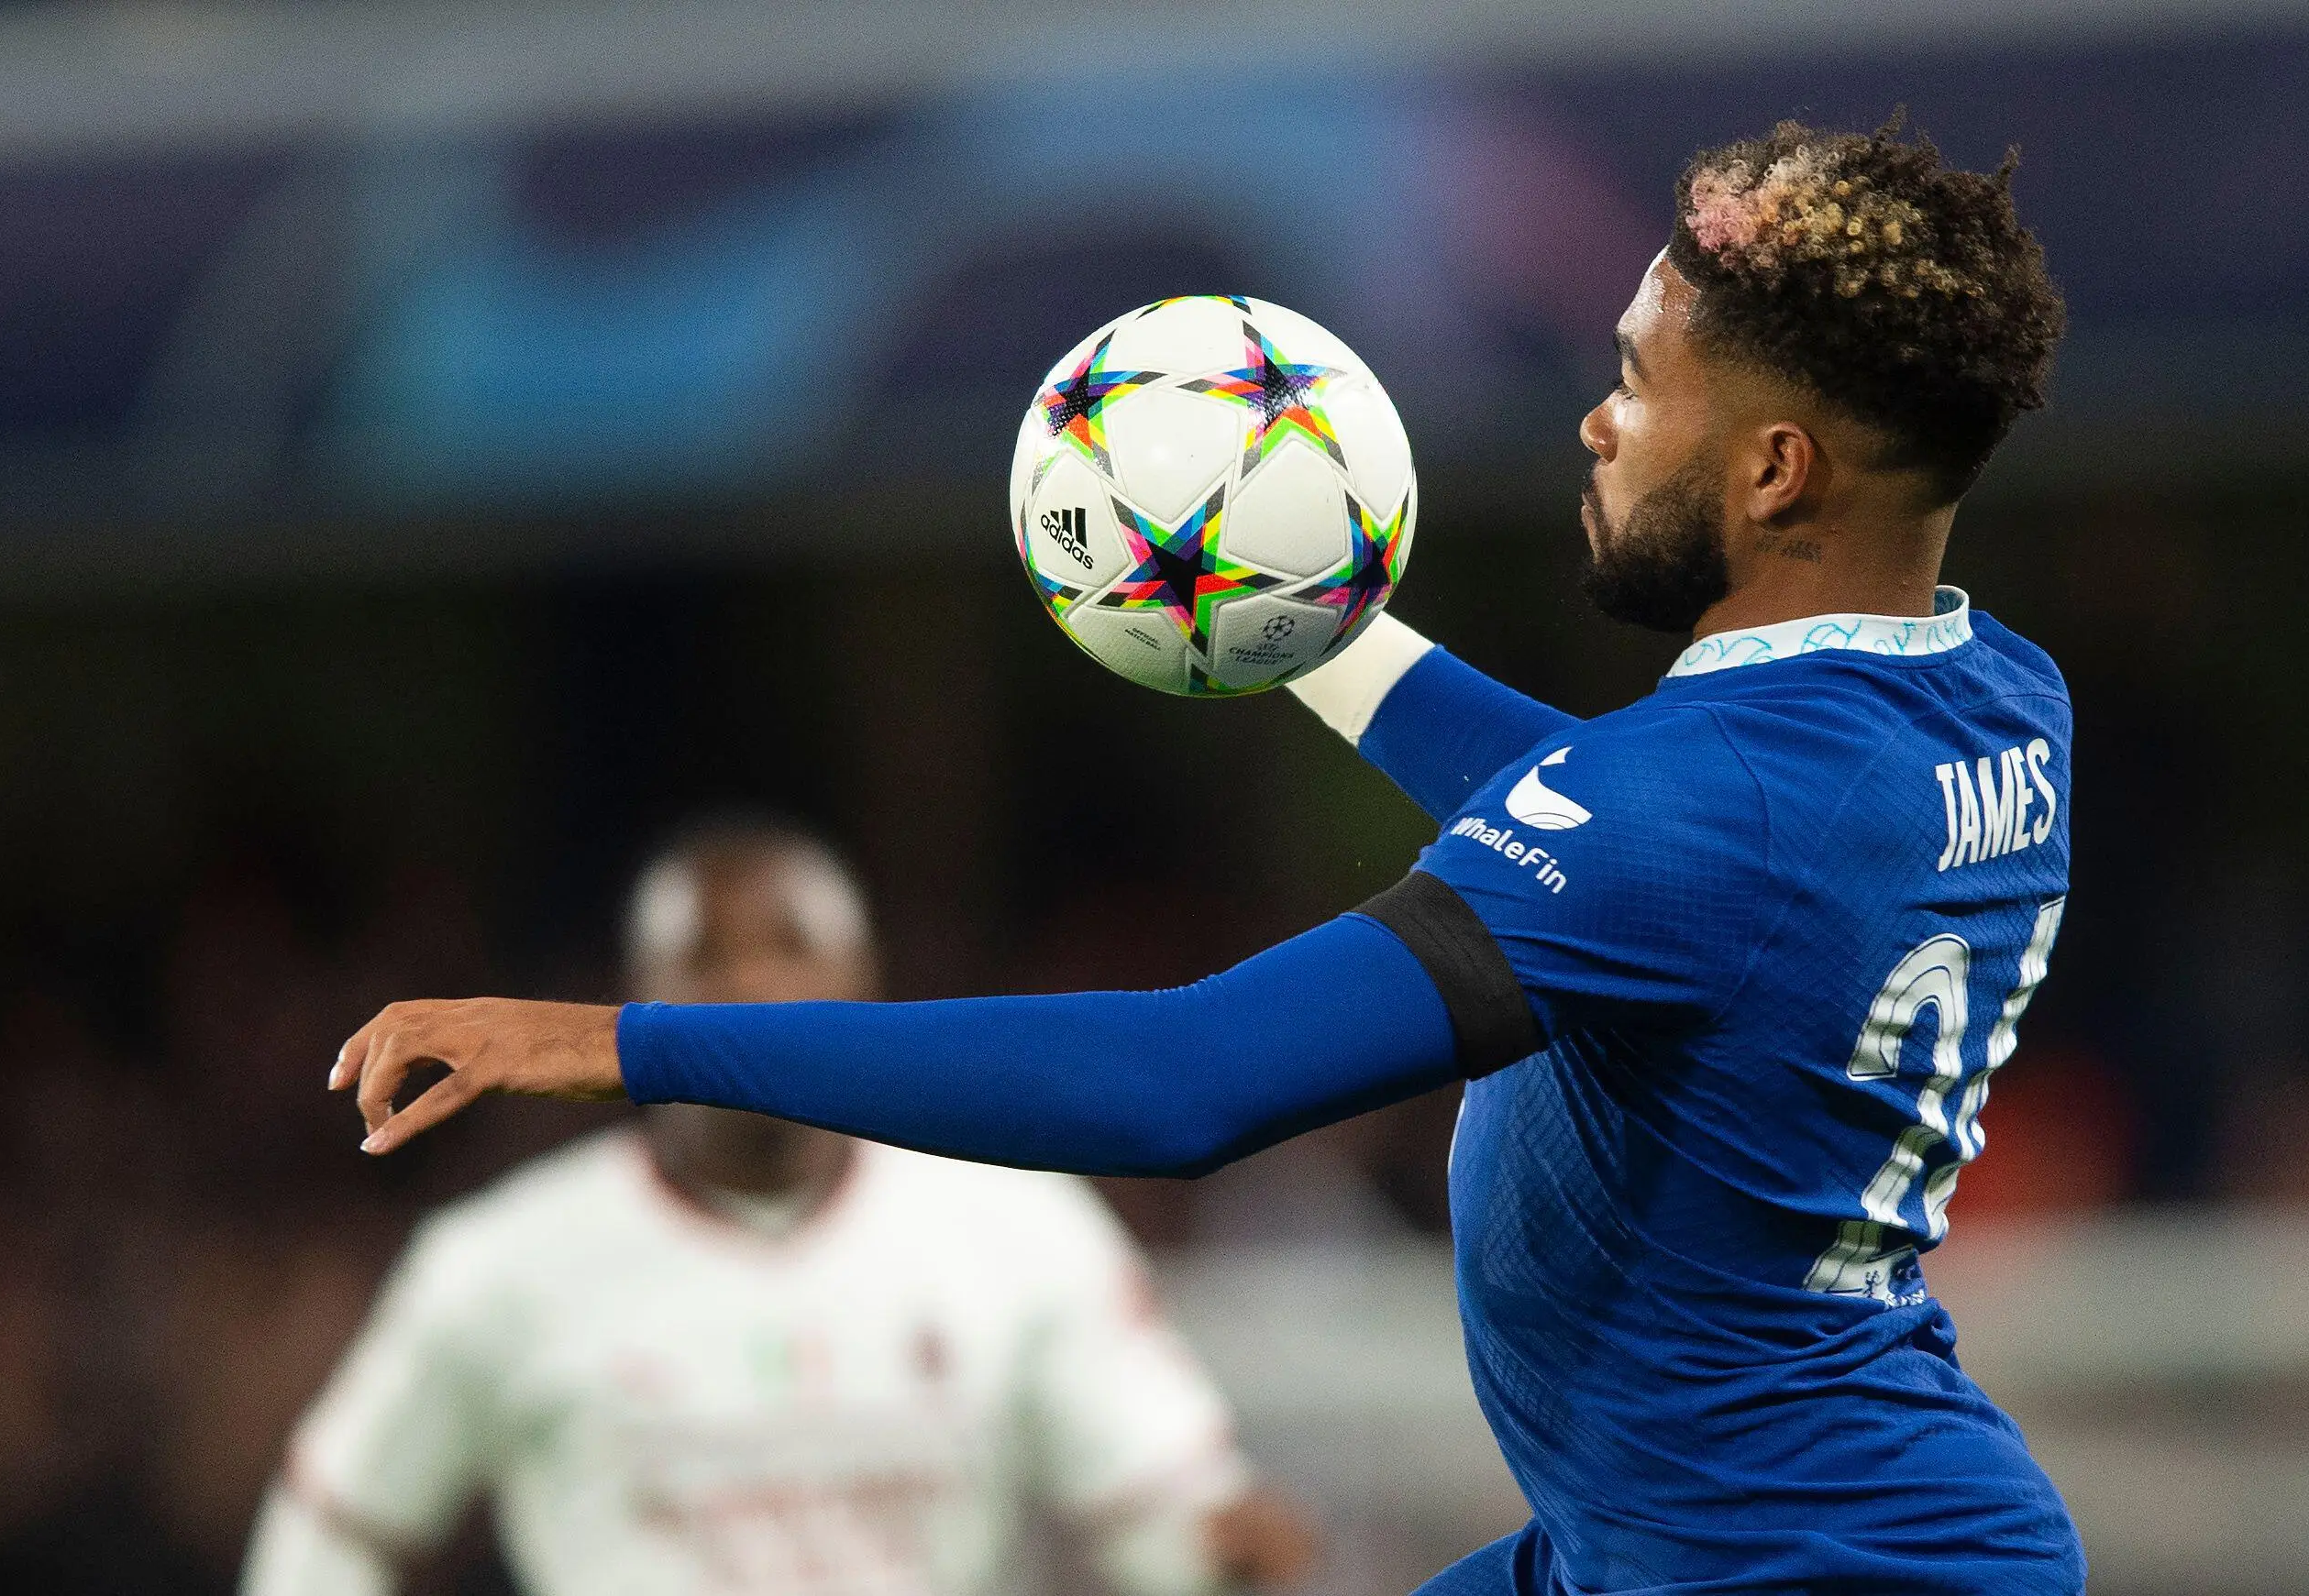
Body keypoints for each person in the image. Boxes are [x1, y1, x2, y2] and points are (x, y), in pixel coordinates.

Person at [334, 119, 2082, 1593]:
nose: (1596, 421)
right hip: (1739, 1527)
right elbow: (1646, 837)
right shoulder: (1995, 705)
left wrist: (628, 1044)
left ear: (1777, 469)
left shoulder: (1693, 818)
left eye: (1637, 382)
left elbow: (1179, 1081)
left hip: (1795, 1559)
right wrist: (1290, 612)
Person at [249, 819, 1318, 1596]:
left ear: (865, 978)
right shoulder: (497, 1261)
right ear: (630, 992)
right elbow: (335, 1528)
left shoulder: (1020, 1225)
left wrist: (1225, 1547)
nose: (753, 981)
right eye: (707, 954)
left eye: (789, 943)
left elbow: (1162, 1514)